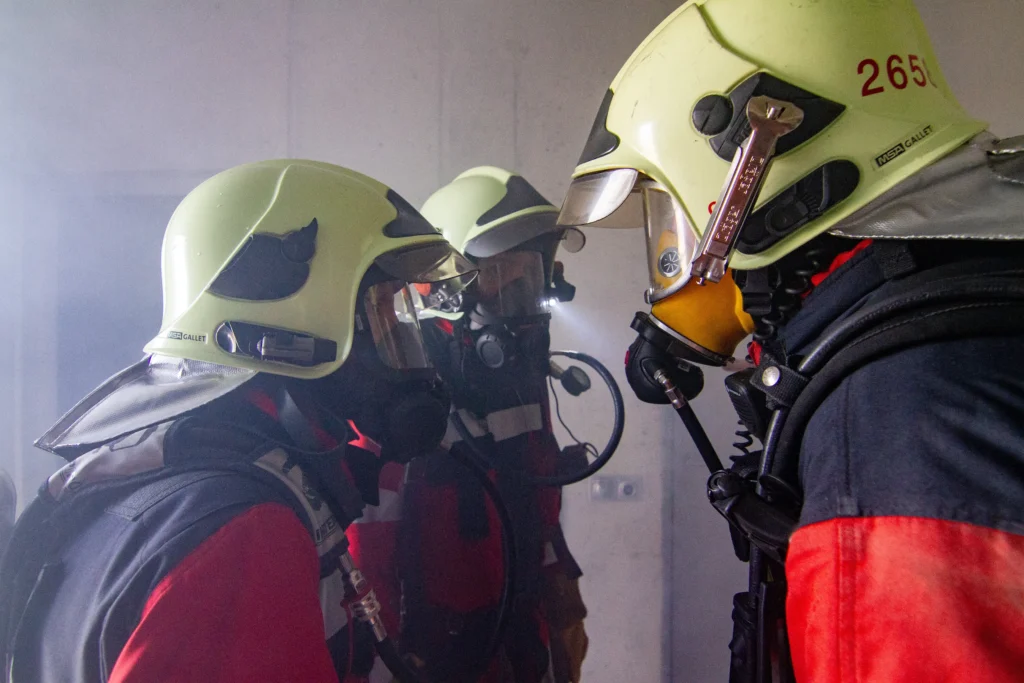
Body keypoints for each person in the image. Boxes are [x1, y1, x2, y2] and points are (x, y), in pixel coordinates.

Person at [556, 1, 1024, 681]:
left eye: (668, 220)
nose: (670, 261)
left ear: (756, 161)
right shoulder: (981, 296)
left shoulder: (888, 427)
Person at [0, 159, 477, 683]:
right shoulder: (246, 533)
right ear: (299, 319)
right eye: (382, 311)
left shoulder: (159, 466)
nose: (397, 337)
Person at [398, 167, 591, 683]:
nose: (516, 291)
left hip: (525, 625)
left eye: (526, 272)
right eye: (495, 273)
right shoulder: (403, 394)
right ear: (439, 287)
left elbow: (537, 501)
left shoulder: (520, 377)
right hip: (445, 649)